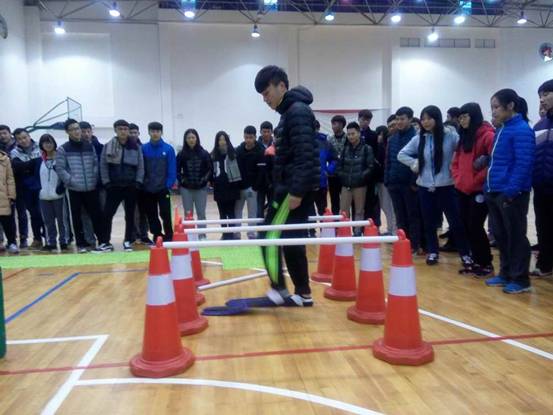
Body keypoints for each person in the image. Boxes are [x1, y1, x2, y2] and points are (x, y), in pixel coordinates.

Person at [254, 65, 320, 306]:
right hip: (288, 187)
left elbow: (305, 155)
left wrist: (296, 192)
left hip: (293, 190)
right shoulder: (290, 112)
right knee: (290, 239)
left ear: (282, 86)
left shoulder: (297, 111)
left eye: (266, 93)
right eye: (262, 95)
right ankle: (301, 293)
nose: (265, 99)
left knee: (270, 236)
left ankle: (282, 289)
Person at [398, 106, 473, 268]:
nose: (425, 122)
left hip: (447, 186)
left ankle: (465, 253)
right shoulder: (419, 138)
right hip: (425, 187)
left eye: (429, 118)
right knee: (429, 222)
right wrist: (415, 163)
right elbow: (401, 154)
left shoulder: (450, 135)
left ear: (437, 119)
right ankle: (433, 251)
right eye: (423, 119)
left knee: (455, 221)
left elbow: (464, 150)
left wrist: (456, 168)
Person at [484, 89, 535, 294]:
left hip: (512, 193)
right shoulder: (502, 129)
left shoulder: (522, 130)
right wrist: (488, 187)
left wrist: (511, 191)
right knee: (501, 235)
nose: (493, 111)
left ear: (511, 106)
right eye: (492, 107)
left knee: (516, 236)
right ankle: (505, 273)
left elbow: (523, 164)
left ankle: (521, 279)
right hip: (495, 190)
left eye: (496, 107)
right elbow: (497, 162)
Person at [451, 103, 495, 277]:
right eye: (460, 118)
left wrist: (476, 180)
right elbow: (455, 162)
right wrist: (458, 178)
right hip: (462, 189)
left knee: (475, 226)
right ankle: (476, 260)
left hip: (478, 190)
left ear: (474, 116)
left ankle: (486, 263)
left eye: (465, 117)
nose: (462, 121)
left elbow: (493, 162)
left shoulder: (487, 136)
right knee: (466, 226)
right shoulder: (463, 138)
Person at [56, 119, 108, 253]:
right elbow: (60, 169)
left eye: (77, 128)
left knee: (96, 215)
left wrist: (94, 178)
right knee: (76, 217)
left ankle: (103, 242)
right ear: (67, 132)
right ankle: (81, 244)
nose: (76, 131)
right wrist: (71, 180)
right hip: (74, 189)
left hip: (91, 187)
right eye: (72, 129)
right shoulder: (63, 149)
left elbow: (95, 164)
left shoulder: (89, 146)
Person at [101, 119, 144, 252]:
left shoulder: (136, 147)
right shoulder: (108, 146)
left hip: (131, 186)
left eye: (125, 129)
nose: (123, 132)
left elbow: (141, 166)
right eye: (120, 129)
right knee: (107, 214)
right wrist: (106, 182)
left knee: (130, 216)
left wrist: (138, 182)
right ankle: (105, 242)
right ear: (115, 130)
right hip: (113, 186)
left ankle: (127, 241)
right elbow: (103, 165)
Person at [385, 107, 422, 254]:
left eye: (402, 119)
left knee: (412, 215)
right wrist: (387, 180)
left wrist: (414, 182)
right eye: (397, 119)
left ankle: (414, 245)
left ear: (410, 120)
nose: (399, 122)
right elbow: (388, 161)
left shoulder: (416, 137)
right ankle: (402, 242)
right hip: (394, 183)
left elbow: (419, 161)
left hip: (409, 184)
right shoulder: (392, 139)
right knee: (399, 215)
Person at [531, 80, 553, 278]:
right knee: (543, 227)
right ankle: (545, 264)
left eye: (546, 94)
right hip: (540, 186)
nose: (542, 99)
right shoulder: (539, 126)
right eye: (540, 95)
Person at [141, 121, 176, 243]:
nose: (155, 133)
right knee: (151, 214)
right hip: (148, 189)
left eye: (157, 131)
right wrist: (144, 184)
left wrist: (168, 185)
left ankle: (169, 234)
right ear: (149, 132)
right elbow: (141, 168)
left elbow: (172, 169)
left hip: (163, 188)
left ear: (161, 132)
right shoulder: (143, 149)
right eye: (152, 131)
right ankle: (157, 234)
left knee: (165, 213)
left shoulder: (168, 149)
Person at [337, 122, 374, 236]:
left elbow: (370, 167)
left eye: (353, 134)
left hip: (360, 185)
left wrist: (361, 177)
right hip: (346, 185)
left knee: (359, 211)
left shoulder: (367, 149)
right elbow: (339, 166)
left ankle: (357, 232)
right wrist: (343, 176)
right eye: (348, 134)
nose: (350, 136)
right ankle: (344, 233)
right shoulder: (345, 149)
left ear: (359, 133)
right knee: (343, 211)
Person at [11, 129, 44, 249]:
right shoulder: (14, 152)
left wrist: (27, 166)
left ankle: (48, 237)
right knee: (33, 214)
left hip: (42, 186)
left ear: (29, 136)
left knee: (42, 213)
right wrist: (34, 163)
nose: (23, 140)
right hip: (25, 188)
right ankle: (37, 238)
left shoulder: (40, 147)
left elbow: (41, 164)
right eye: (19, 139)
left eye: (24, 137)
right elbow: (18, 167)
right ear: (16, 141)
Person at [177, 128, 212, 239]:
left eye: (193, 137)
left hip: (201, 188)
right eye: (189, 138)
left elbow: (210, 169)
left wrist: (204, 180)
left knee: (201, 213)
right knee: (188, 213)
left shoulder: (204, 153)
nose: (191, 140)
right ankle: (190, 236)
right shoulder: (181, 154)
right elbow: (177, 171)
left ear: (197, 138)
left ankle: (202, 235)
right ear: (185, 139)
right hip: (186, 189)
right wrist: (183, 181)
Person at [38, 134, 68, 252]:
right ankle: (51, 242)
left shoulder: (60, 158)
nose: (48, 145)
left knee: (62, 220)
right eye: (45, 142)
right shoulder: (39, 160)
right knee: (48, 221)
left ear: (54, 143)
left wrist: (62, 187)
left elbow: (66, 173)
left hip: (59, 195)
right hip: (44, 196)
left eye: (50, 142)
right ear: (41, 145)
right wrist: (38, 189)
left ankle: (64, 241)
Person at [211, 131, 242, 240]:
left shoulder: (233, 154)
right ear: (217, 141)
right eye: (220, 139)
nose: (222, 142)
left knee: (231, 212)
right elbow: (211, 171)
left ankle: (232, 233)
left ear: (227, 141)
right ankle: (225, 233)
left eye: (224, 139)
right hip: (219, 188)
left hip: (232, 187)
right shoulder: (213, 155)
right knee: (222, 213)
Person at [235, 125, 264, 239]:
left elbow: (261, 171)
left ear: (255, 137)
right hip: (240, 187)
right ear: (244, 136)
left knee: (252, 212)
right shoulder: (238, 150)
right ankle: (236, 233)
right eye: (246, 137)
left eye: (251, 137)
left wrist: (255, 187)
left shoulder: (260, 151)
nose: (248, 140)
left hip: (252, 188)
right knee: (237, 211)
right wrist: (237, 184)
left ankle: (251, 233)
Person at [79, 121, 104, 247]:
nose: (86, 134)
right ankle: (90, 240)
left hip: (100, 186)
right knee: (85, 215)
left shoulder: (101, 147)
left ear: (92, 132)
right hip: (83, 187)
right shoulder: (74, 148)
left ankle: (103, 239)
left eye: (88, 131)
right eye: (83, 132)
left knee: (101, 213)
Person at [128, 123, 150, 243]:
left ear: (139, 133)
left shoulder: (144, 148)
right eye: (130, 132)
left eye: (135, 132)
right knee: (130, 212)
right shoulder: (123, 148)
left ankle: (144, 235)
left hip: (142, 186)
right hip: (128, 186)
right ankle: (132, 235)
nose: (133, 135)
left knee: (143, 212)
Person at [358, 109, 380, 227]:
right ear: (359, 119)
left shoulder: (373, 135)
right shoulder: (353, 134)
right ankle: (358, 229)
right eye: (363, 119)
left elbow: (376, 154)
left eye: (368, 120)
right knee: (357, 203)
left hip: (370, 174)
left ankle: (370, 227)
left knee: (370, 202)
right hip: (357, 173)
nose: (365, 122)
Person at [375, 125, 396, 235]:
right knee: (386, 206)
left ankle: (393, 230)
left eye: (379, 134)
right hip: (381, 180)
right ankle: (390, 229)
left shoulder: (384, 147)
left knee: (388, 206)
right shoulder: (381, 146)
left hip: (385, 181)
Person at [327, 115, 347, 215]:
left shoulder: (348, 138)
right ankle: (335, 223)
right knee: (334, 201)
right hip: (333, 175)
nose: (333, 126)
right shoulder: (329, 139)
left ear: (341, 125)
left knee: (345, 202)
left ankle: (345, 222)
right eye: (332, 124)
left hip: (345, 174)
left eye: (334, 124)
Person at [0, 147, 18, 254]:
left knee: (8, 222)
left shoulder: (4, 159)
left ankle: (12, 243)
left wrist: (11, 195)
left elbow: (10, 179)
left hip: (4, 196)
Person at [257, 121, 274, 217]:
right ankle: (259, 226)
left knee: (272, 207)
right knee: (259, 208)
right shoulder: (256, 145)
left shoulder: (276, 145)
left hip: (272, 183)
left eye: (268, 131)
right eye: (264, 131)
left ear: (271, 132)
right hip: (259, 183)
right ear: (260, 132)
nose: (266, 134)